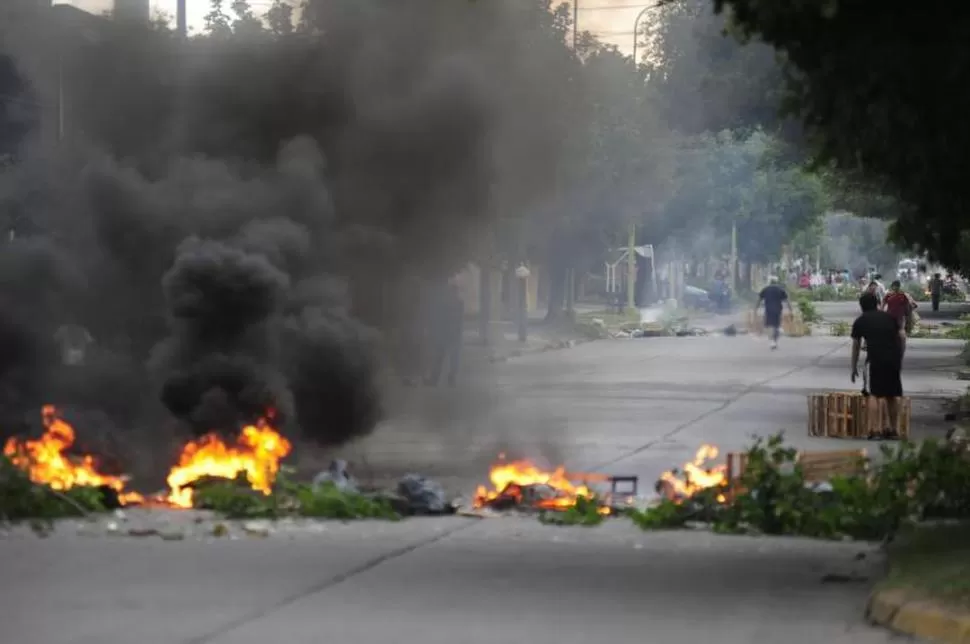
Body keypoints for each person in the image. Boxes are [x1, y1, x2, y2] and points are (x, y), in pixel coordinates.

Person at [851, 292, 904, 440]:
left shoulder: (860, 321)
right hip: (893, 359)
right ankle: (893, 430)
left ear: (861, 306)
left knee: (873, 394)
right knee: (892, 395)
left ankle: (875, 430)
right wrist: (900, 356)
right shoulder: (890, 317)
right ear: (877, 303)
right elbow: (902, 336)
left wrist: (853, 366)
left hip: (875, 360)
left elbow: (856, 346)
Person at [425, 276, 464, 387]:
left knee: (441, 357)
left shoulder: (446, 303)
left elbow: (440, 318)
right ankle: (449, 378)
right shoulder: (459, 303)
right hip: (452, 333)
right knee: (451, 358)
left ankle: (435, 379)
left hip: (445, 333)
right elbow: (459, 320)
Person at [755, 276, 793, 350]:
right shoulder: (780, 290)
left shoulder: (765, 289)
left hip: (768, 309)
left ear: (770, 282)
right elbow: (787, 300)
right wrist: (790, 309)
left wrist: (755, 309)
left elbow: (759, 300)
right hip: (778, 309)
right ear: (776, 282)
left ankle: (772, 341)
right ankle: (774, 340)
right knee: (776, 325)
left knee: (770, 325)